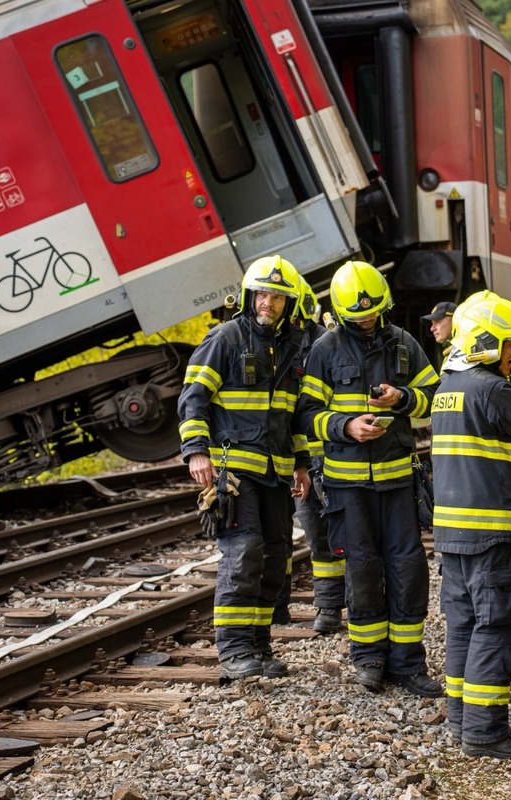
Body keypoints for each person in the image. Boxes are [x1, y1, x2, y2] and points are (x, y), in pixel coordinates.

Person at [295, 261, 442, 695]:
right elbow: (306, 415)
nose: (367, 319)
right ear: (340, 314)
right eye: (358, 315)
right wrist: (346, 427)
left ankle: (409, 663)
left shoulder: (404, 344)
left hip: (398, 482)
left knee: (408, 569)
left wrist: (403, 399)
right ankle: (369, 659)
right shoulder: (325, 350)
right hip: (347, 488)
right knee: (361, 570)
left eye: (374, 311)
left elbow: (434, 399)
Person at [431, 296, 511, 760]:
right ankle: (485, 733)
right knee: (496, 625)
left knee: (463, 624)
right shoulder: (491, 388)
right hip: (493, 529)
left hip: (454, 532)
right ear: (487, 344)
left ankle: (463, 722)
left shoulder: (448, 386)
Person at [178, 255, 310, 682]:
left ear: (288, 302)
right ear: (249, 296)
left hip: (275, 472)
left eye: (276, 296)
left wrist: (302, 464)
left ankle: (258, 644)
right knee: (244, 552)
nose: (268, 303)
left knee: (276, 557)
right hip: (234, 470)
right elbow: (192, 398)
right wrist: (197, 451)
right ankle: (234, 649)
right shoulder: (226, 338)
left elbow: (292, 414)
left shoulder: (292, 348)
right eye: (262, 294)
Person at [291, 274, 346, 634]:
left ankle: (355, 606)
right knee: (317, 536)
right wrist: (300, 464)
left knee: (351, 537)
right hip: (303, 461)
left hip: (335, 459)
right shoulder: (282, 349)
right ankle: (327, 607)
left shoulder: (325, 345)